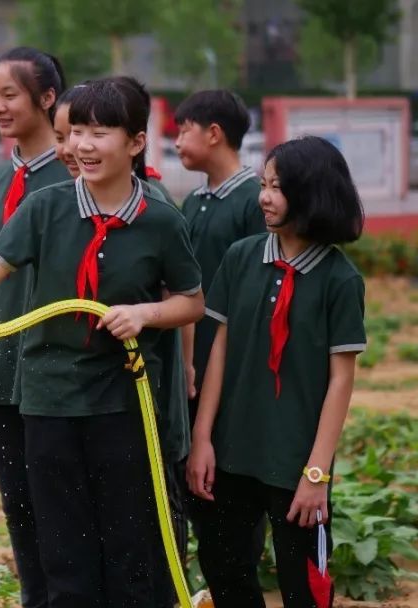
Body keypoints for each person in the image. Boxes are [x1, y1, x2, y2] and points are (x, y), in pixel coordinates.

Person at [0, 77, 204, 607]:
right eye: (77, 132)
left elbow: (191, 301)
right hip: (46, 402)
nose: (82, 146)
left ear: (136, 142)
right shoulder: (45, 208)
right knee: (64, 547)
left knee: (129, 544)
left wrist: (144, 314)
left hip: (123, 404)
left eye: (100, 132)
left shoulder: (161, 219)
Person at [186, 136, 366, 608]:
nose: (263, 196)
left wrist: (316, 474)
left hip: (295, 464)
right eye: (263, 184)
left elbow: (341, 381)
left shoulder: (340, 279)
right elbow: (219, 352)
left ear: (312, 194)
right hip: (230, 454)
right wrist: (203, 438)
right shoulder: (241, 257)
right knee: (227, 575)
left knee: (304, 587)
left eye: (277, 188)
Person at [0, 46, 70, 608]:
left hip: (54, 370)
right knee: (18, 501)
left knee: (60, 500)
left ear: (47, 98)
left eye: (10, 95)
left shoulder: (74, 179)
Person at [173, 89, 267, 564]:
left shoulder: (254, 201)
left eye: (182, 129)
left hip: (231, 366)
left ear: (214, 133)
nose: (175, 141)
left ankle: (239, 571)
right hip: (193, 364)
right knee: (198, 480)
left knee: (232, 485)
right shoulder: (194, 202)